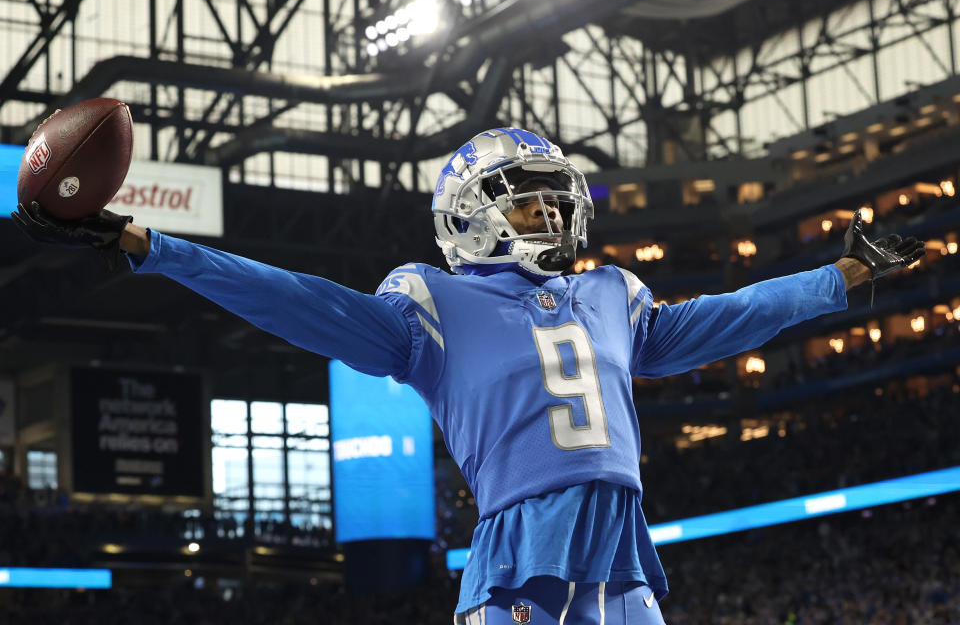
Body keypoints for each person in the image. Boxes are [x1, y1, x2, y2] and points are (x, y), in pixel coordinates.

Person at [12, 127, 925, 624]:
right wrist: (153, 246)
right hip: (518, 558)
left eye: (557, 197)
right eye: (529, 197)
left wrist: (838, 276)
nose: (553, 212)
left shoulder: (612, 293)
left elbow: (729, 318)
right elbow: (295, 297)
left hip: (619, 551)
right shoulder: (430, 309)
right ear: (471, 215)